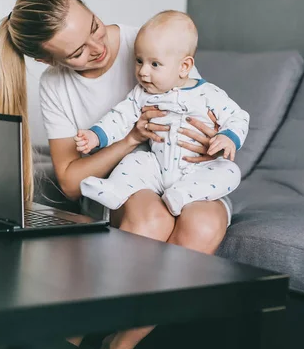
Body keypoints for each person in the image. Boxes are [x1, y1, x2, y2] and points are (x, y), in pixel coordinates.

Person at [0, 0, 233, 349]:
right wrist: (131, 138)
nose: (97, 46)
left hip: (181, 172)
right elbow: (71, 181)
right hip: (121, 182)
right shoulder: (55, 85)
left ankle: (120, 346)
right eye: (77, 52)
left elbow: (198, 107)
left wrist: (212, 139)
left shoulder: (151, 40)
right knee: (152, 218)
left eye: (94, 26)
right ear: (45, 59)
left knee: (204, 223)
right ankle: (74, 335)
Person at [76, 11, 249, 216]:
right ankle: (115, 191)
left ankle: (182, 195)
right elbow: (119, 116)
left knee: (230, 172)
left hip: (197, 170)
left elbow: (238, 117)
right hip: (157, 168)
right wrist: (96, 135)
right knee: (135, 161)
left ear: (184, 67)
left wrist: (227, 137)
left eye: (154, 64)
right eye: (139, 61)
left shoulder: (209, 94)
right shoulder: (142, 94)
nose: (143, 72)